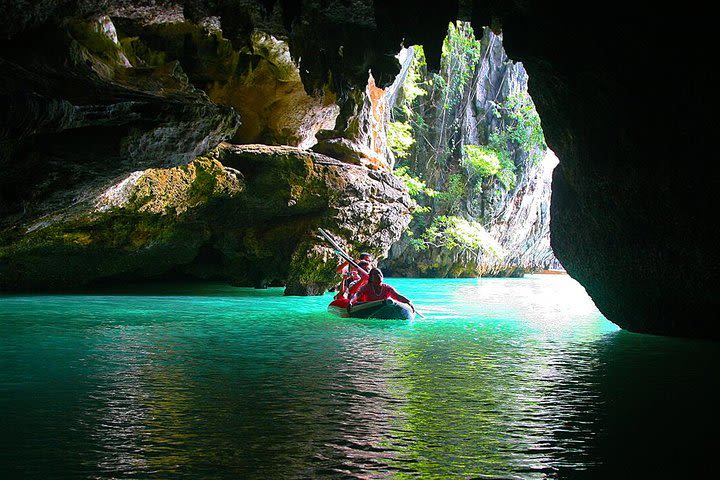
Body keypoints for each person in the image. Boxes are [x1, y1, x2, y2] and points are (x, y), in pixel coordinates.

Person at [349, 267, 415, 313]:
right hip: (370, 308)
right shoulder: (367, 287)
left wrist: (408, 302)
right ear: (371, 278)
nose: (379, 276)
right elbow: (357, 295)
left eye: (380, 274)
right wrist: (351, 301)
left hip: (384, 308)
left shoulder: (387, 288)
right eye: (376, 274)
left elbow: (398, 296)